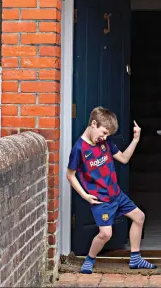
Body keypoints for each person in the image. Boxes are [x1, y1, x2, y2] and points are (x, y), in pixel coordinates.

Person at [66, 106, 156, 274]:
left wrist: (136, 139)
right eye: (104, 132)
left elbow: (123, 158)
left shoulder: (105, 143)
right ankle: (89, 259)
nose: (105, 137)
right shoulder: (79, 149)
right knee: (105, 234)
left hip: (117, 194)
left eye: (107, 135)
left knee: (139, 217)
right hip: (101, 200)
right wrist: (85, 196)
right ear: (94, 124)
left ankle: (135, 258)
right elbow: (70, 175)